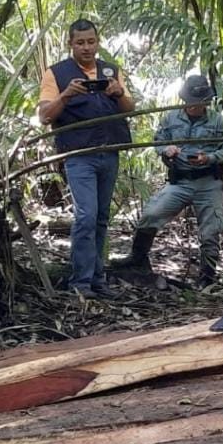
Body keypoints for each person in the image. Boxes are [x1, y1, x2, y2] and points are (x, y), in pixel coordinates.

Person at [37, 19, 136, 299]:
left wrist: (118, 93)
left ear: (98, 42)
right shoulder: (56, 74)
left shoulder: (110, 70)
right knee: (86, 216)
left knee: (101, 217)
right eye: (80, 42)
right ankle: (80, 282)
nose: (86, 47)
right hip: (79, 155)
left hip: (109, 152)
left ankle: (97, 280)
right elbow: (44, 116)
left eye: (91, 41)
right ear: (70, 44)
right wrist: (66, 95)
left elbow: (129, 108)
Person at [112, 75, 223, 288]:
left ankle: (207, 277)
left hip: (208, 182)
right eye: (190, 101)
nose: (193, 105)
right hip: (180, 182)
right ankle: (138, 258)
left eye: (199, 102)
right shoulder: (171, 118)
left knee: (211, 232)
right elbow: (159, 141)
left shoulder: (218, 121)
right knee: (151, 215)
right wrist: (167, 150)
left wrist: (209, 158)